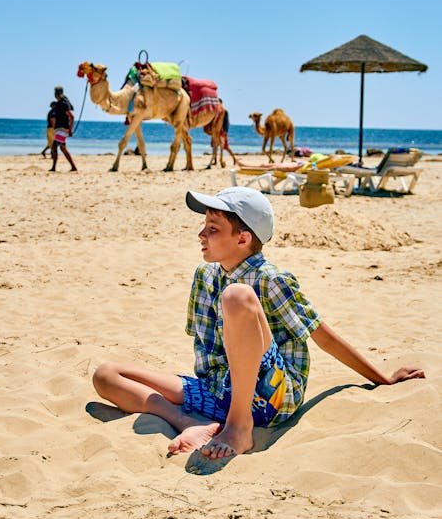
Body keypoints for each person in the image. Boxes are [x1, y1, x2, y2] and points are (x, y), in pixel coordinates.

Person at [92, 187, 424, 459]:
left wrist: (383, 379)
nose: (201, 235)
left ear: (243, 239)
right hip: (219, 390)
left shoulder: (271, 279)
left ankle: (239, 429)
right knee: (106, 375)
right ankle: (189, 423)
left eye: (213, 228)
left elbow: (323, 337)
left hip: (271, 398)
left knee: (237, 297)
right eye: (204, 226)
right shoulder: (205, 275)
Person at [49, 86, 77, 172]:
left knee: (56, 146)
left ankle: (54, 167)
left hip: (62, 129)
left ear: (56, 93)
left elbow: (71, 117)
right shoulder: (60, 103)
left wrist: (70, 130)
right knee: (61, 148)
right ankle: (72, 167)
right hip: (59, 129)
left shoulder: (62, 104)